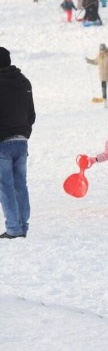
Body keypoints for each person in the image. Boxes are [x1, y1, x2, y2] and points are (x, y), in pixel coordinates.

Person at [0, 47, 35, 239]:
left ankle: (13, 228)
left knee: (5, 186)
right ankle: (23, 226)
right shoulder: (24, 82)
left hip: (2, 143)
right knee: (20, 184)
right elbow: (31, 114)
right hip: (22, 142)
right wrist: (24, 132)